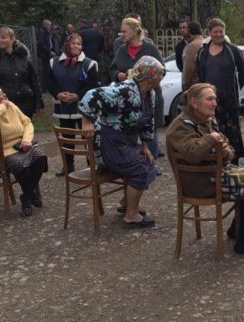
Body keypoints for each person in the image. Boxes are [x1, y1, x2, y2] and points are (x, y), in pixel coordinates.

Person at [166, 83, 244, 255]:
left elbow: (228, 148)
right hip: (200, 183)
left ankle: (237, 230)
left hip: (213, 173)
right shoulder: (179, 127)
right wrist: (212, 139)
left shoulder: (205, 120)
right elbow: (193, 153)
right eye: (209, 99)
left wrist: (225, 151)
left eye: (214, 99)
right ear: (194, 102)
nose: (214, 103)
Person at [79, 56, 165, 228]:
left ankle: (127, 203)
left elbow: (149, 122)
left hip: (126, 142)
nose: (161, 77)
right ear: (149, 76)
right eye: (159, 74)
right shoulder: (124, 90)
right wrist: (87, 121)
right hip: (109, 143)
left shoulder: (150, 94)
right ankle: (131, 215)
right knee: (141, 169)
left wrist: (146, 147)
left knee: (149, 162)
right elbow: (92, 95)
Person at [0, 81, 48, 216]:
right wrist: (3, 107)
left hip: (20, 145)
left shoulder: (10, 105)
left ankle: (26, 196)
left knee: (40, 157)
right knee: (18, 163)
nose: (4, 95)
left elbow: (27, 122)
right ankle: (29, 196)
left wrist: (26, 140)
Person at [109, 17, 166, 171]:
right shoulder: (121, 49)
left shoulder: (150, 48)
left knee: (150, 130)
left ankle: (152, 164)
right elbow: (112, 69)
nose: (122, 34)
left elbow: (163, 70)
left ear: (135, 32)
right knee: (131, 130)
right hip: (128, 100)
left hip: (149, 96)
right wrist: (118, 75)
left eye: (124, 31)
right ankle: (134, 163)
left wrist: (145, 76)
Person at [194, 18, 244, 165]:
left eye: (221, 32)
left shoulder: (233, 50)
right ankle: (215, 161)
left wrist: (234, 88)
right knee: (212, 130)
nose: (219, 34)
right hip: (209, 100)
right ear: (209, 33)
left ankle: (234, 162)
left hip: (229, 100)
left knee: (232, 132)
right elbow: (200, 74)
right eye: (215, 32)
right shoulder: (203, 52)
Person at [47, 33, 99, 176]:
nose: (76, 46)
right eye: (73, 43)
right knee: (67, 137)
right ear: (67, 45)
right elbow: (49, 83)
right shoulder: (54, 62)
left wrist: (77, 95)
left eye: (79, 44)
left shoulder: (90, 64)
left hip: (83, 108)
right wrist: (58, 94)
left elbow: (93, 86)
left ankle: (92, 164)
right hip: (63, 107)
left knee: (87, 136)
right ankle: (68, 165)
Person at [0, 27, 43, 119]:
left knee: (26, 129)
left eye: (3, 37)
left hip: (26, 103)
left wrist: (39, 102)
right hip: (3, 104)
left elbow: (33, 80)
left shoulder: (23, 56)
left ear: (12, 39)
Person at [181, 21, 205, 91]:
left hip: (194, 84)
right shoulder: (204, 42)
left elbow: (189, 67)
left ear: (189, 30)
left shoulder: (192, 45)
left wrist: (185, 84)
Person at [37, 19, 57, 92]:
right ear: (44, 25)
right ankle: (44, 88)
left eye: (50, 25)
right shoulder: (42, 32)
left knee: (49, 70)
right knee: (46, 71)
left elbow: (50, 42)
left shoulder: (48, 32)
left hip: (49, 54)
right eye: (49, 25)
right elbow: (41, 44)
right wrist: (49, 51)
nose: (50, 26)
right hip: (45, 55)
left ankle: (48, 86)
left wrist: (53, 50)